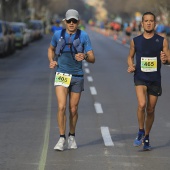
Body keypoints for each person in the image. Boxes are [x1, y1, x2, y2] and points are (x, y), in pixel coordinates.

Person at [48, 9, 95, 151]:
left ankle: (72, 136)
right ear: (65, 22)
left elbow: (92, 58)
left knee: (73, 109)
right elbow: (51, 49)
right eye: (69, 21)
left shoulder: (84, 36)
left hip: (77, 76)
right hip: (61, 74)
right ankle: (61, 138)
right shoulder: (58, 35)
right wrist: (52, 60)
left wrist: (85, 57)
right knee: (61, 107)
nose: (71, 23)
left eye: (74, 21)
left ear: (78, 22)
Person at [127, 12, 170, 151]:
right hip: (140, 77)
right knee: (142, 104)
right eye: (146, 21)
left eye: (151, 21)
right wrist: (131, 65)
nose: (149, 23)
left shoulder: (162, 40)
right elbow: (130, 56)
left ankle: (146, 136)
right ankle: (140, 131)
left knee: (150, 110)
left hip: (155, 79)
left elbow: (168, 59)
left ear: (155, 24)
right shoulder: (135, 40)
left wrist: (165, 60)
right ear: (142, 23)